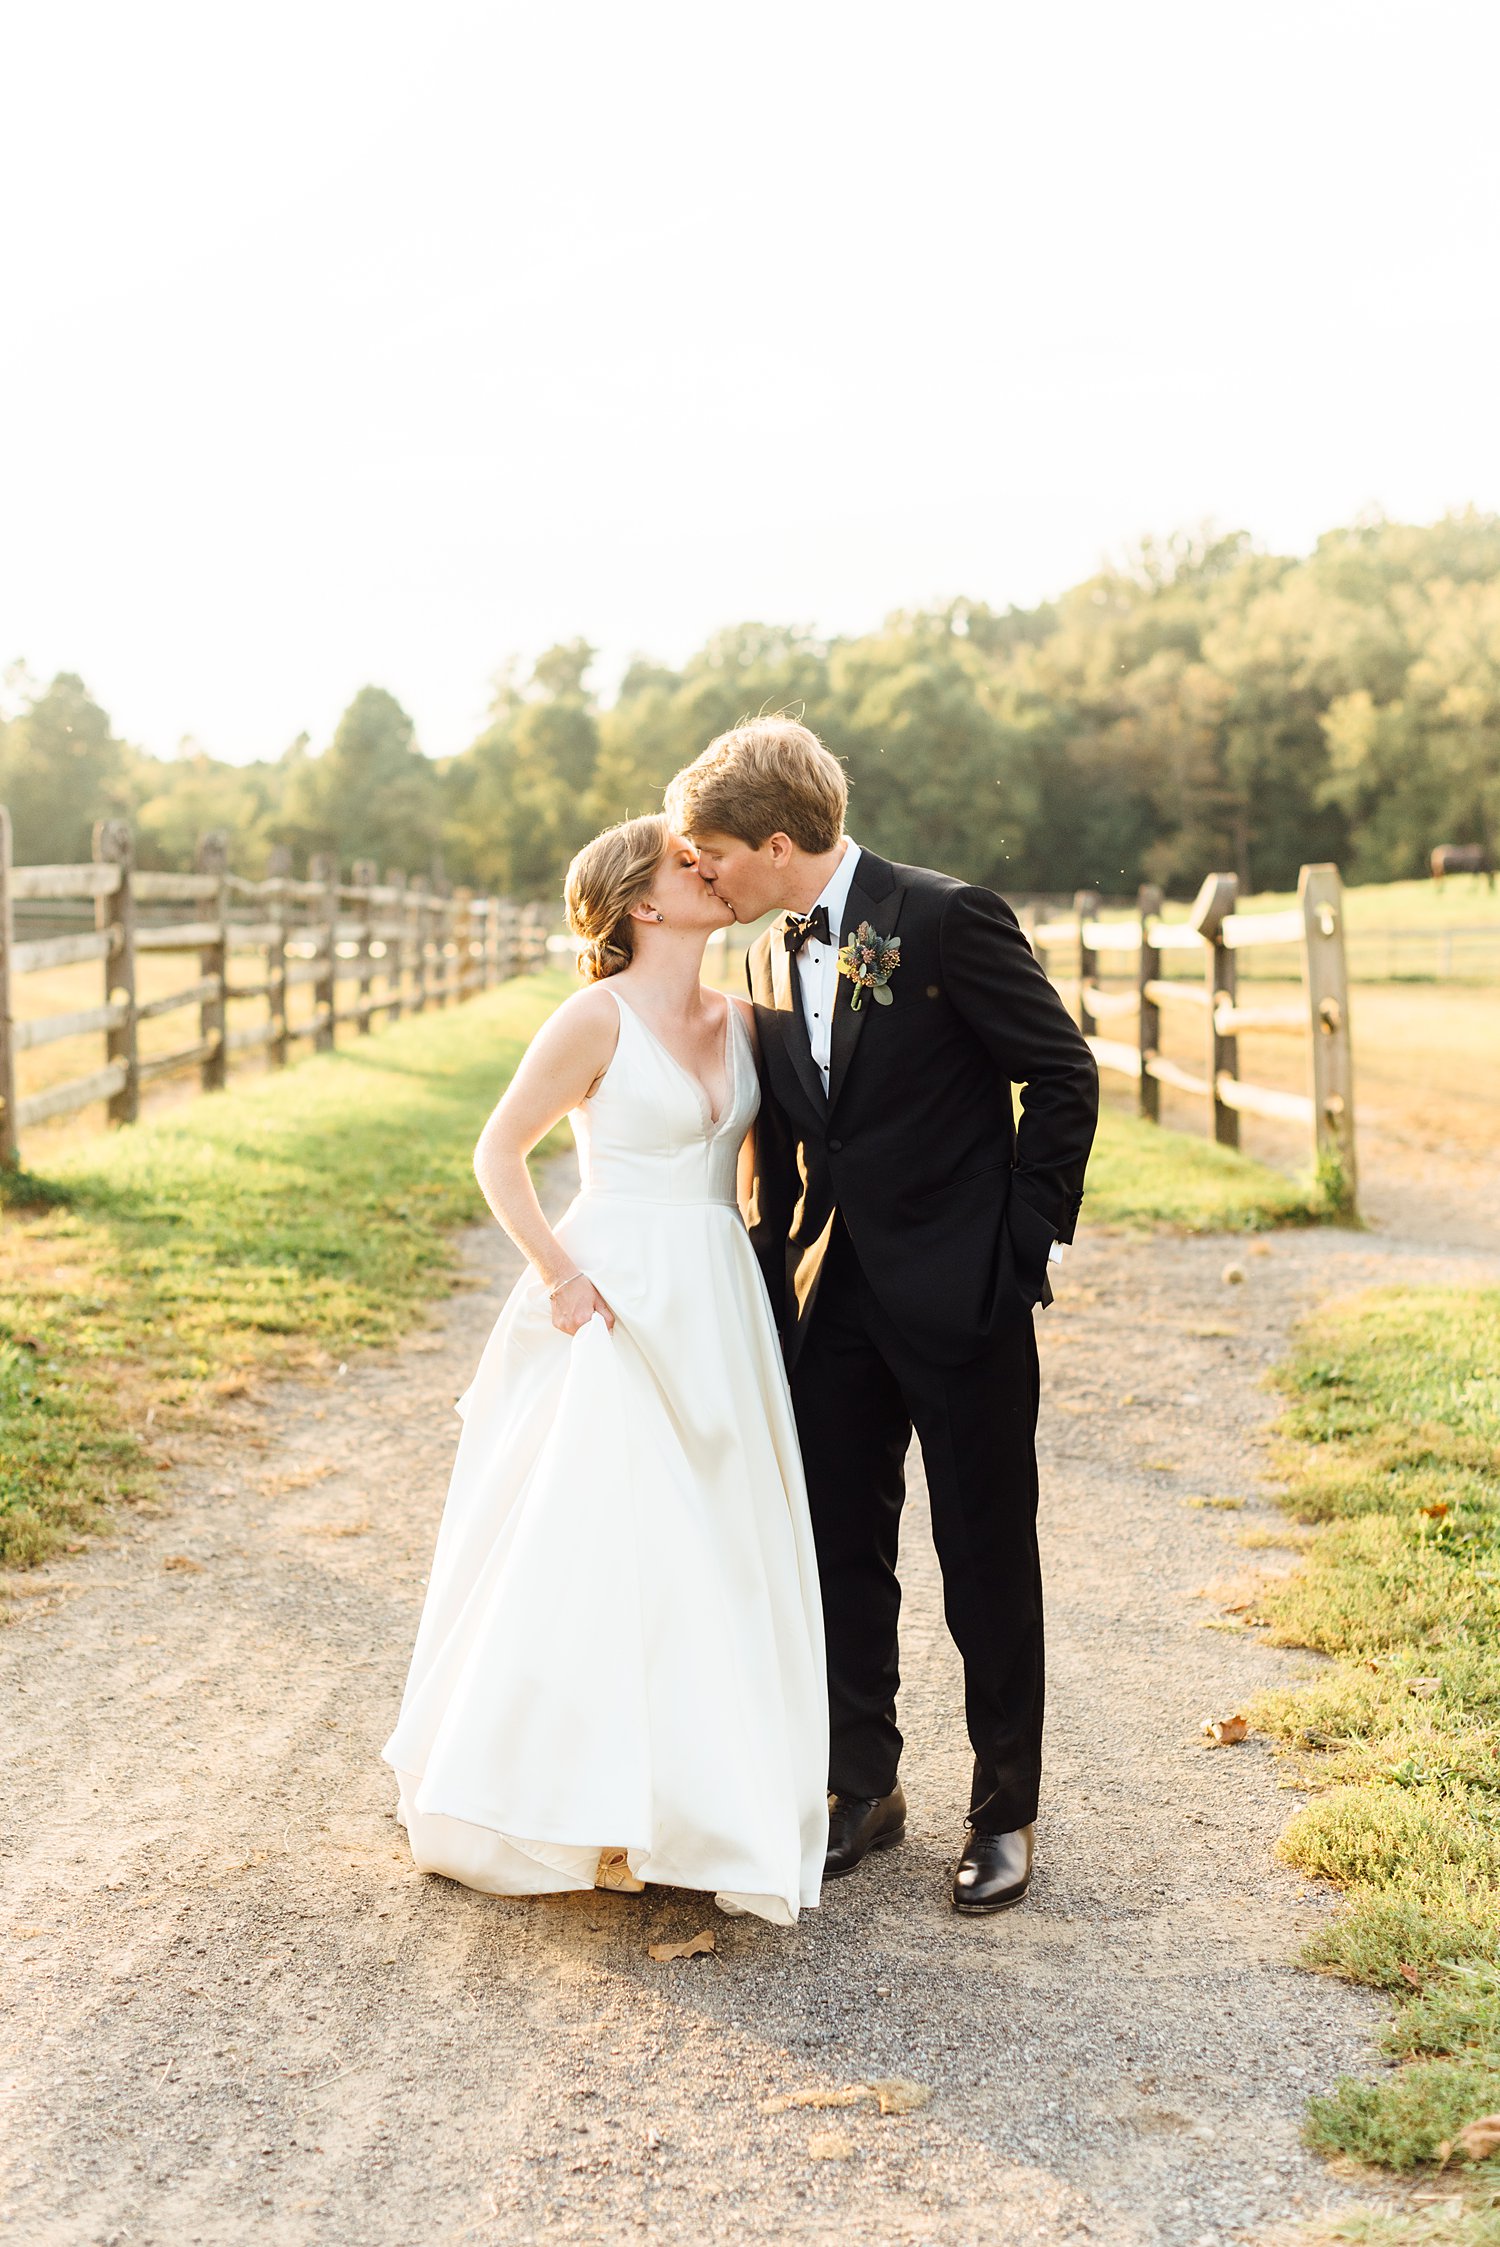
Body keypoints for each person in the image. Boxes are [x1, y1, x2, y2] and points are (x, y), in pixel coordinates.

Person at [667, 721, 1099, 1915]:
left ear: (776, 840)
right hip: (831, 1302)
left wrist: (1021, 1252)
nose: (702, 876)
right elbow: (787, 1142)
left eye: (711, 856)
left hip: (965, 1299)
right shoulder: (759, 959)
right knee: (838, 1552)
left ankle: (1004, 1808)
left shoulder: (947, 919)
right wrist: (770, 1274)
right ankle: (862, 1783)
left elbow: (1060, 1074)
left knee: (984, 1555)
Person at [382, 815, 828, 1925]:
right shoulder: (594, 1017)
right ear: (640, 901)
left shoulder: (745, 1021)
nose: (714, 871)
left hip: (716, 1293)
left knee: (717, 1542)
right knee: (617, 1540)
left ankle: (697, 1802)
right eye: (690, 862)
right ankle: (587, 1806)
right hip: (614, 1295)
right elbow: (499, 1153)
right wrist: (557, 1278)